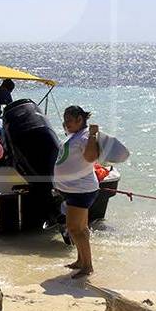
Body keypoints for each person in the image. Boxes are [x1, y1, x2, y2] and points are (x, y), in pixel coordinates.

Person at [54, 105, 100, 278]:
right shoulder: (76, 135)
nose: (65, 124)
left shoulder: (86, 136)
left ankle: (87, 266)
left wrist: (94, 134)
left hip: (80, 190)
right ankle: (81, 260)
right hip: (74, 189)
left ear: (80, 119)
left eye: (69, 121)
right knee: (81, 228)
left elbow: (90, 158)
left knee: (74, 229)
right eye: (64, 120)